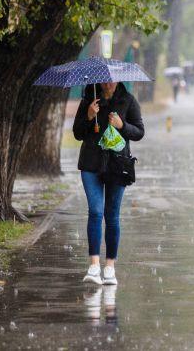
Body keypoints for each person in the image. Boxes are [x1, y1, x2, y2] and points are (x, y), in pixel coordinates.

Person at [73, 82, 144, 285]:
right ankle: (94, 266)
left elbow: (139, 132)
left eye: (112, 80)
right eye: (105, 80)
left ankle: (110, 267)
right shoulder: (89, 99)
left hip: (117, 165)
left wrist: (122, 126)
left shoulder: (128, 100)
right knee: (95, 211)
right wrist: (88, 116)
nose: (108, 83)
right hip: (91, 163)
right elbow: (77, 133)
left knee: (111, 215)